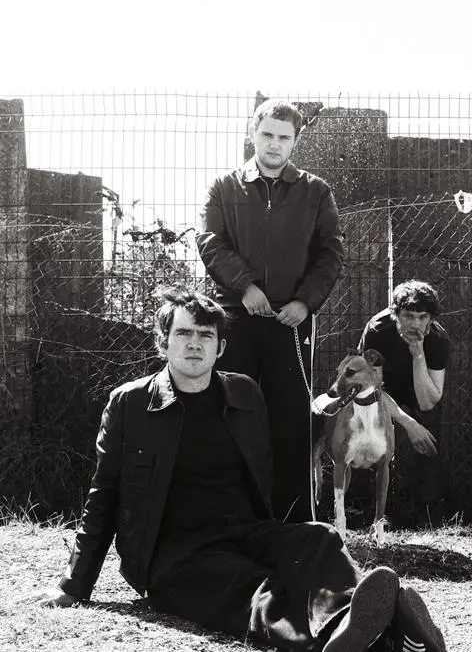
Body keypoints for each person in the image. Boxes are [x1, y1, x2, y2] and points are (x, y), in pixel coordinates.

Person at [20, 287, 445, 652]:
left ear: (220, 347)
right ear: (163, 342)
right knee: (252, 587)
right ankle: (354, 635)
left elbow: (264, 475)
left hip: (243, 530)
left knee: (318, 538)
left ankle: (357, 620)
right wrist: (73, 584)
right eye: (183, 333)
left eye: (206, 335)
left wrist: (281, 538)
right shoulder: (130, 404)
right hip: (174, 551)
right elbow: (103, 495)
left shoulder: (244, 394)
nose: (194, 344)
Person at [197, 98, 344, 524]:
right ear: (252, 134)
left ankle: (294, 525)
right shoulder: (223, 187)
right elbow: (210, 242)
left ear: (296, 141)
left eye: (284, 137)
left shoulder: (316, 191)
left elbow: (331, 253)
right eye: (267, 135)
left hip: (290, 321)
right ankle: (228, 520)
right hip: (235, 316)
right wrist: (244, 286)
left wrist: (304, 302)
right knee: (230, 413)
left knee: (291, 423)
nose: (274, 144)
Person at [358, 281, 449, 526]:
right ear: (395, 315)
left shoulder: (438, 338)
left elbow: (429, 401)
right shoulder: (377, 331)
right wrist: (408, 424)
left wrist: (418, 353)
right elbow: (372, 389)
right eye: (408, 316)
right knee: (379, 431)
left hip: (418, 385)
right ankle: (381, 512)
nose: (415, 324)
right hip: (382, 388)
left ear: (430, 318)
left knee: (429, 430)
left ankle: (427, 511)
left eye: (422, 317)